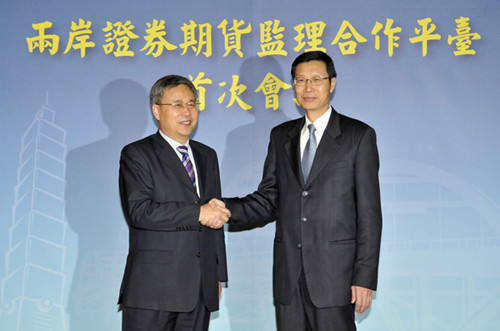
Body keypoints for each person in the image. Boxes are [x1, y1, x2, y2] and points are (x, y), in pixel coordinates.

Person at [217, 51, 382, 330]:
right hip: (289, 277)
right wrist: (223, 208)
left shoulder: (358, 136)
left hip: (335, 279)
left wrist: (364, 277)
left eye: (316, 79)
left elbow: (369, 214)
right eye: (300, 80)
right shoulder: (281, 135)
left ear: (332, 83)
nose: (308, 87)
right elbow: (269, 199)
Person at [117, 75, 230, 331]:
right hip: (152, 289)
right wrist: (197, 213)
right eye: (177, 104)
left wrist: (217, 275)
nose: (187, 112)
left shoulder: (206, 155)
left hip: (199, 289)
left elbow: (215, 216)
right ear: (157, 110)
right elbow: (140, 212)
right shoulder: (137, 154)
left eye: (192, 104)